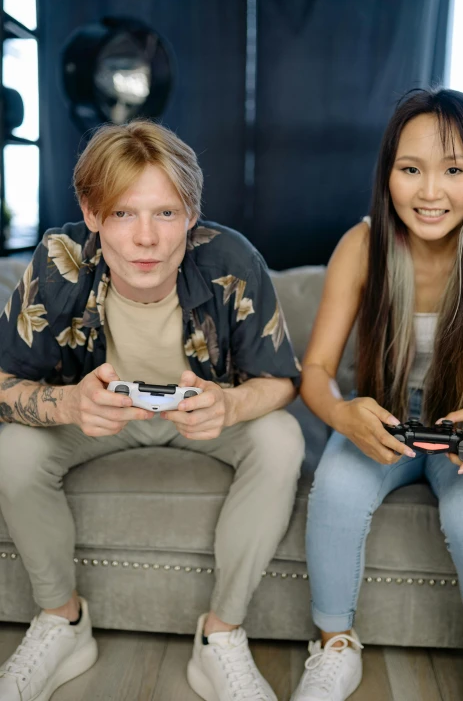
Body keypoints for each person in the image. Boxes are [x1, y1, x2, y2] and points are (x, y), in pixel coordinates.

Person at [0, 120, 305, 701]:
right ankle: (62, 622)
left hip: (201, 420)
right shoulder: (57, 260)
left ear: (191, 215)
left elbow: (282, 382)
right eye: (122, 213)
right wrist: (66, 401)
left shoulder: (232, 257)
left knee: (281, 438)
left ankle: (221, 637)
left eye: (165, 213)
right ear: (91, 213)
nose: (146, 239)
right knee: (13, 448)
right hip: (99, 420)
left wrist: (232, 402)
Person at [292, 89, 463, 701]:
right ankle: (334, 644)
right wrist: (343, 412)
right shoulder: (361, 244)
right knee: (336, 487)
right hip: (385, 417)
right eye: (410, 169)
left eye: (453, 170)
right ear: (387, 172)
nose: (429, 192)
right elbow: (314, 368)